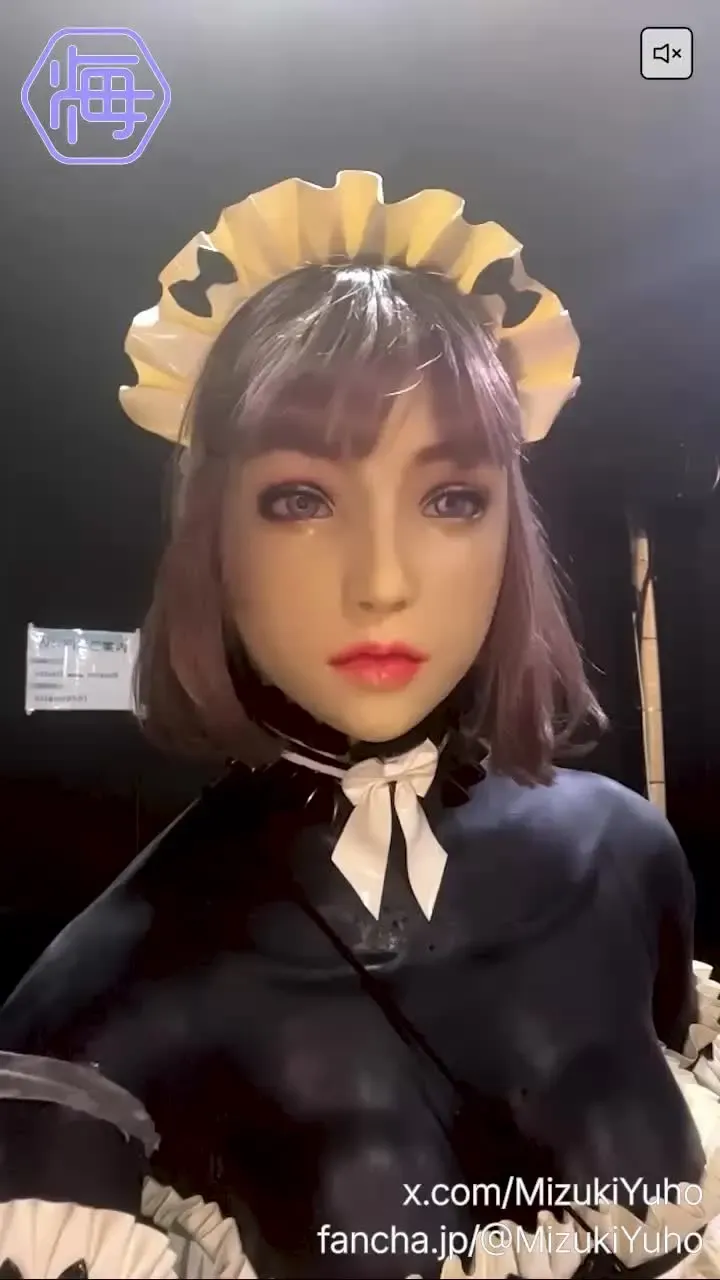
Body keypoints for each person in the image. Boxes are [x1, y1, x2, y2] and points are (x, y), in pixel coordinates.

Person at [1, 171, 720, 1280]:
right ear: (213, 534)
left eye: (451, 498)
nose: (382, 581)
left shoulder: (627, 855)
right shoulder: (93, 1006)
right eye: (301, 499)